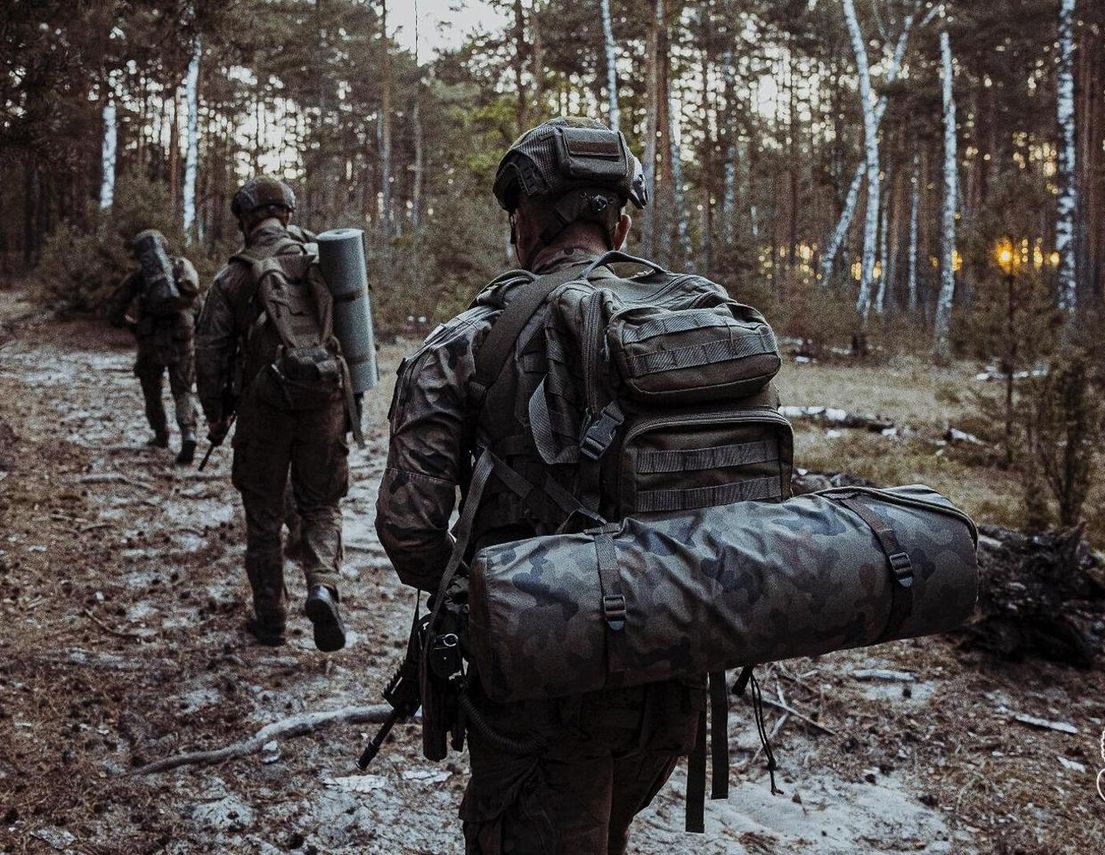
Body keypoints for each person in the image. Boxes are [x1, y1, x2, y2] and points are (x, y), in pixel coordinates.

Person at [375, 118, 703, 854]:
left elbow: (409, 530)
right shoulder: (693, 324)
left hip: (542, 681)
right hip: (677, 664)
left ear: (523, 221)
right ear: (619, 223)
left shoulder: (465, 341)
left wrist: (492, 597)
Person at [195, 175, 349, 652]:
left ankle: (271, 621)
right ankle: (323, 587)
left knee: (263, 517)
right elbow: (354, 331)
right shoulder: (324, 261)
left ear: (244, 218)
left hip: (263, 409)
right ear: (287, 212)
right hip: (324, 400)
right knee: (322, 505)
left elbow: (209, 351)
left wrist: (217, 414)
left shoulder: (234, 276)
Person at [108, 229, 200, 464]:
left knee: (152, 391)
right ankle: (189, 433)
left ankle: (161, 435)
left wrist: (133, 327)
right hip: (182, 338)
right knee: (183, 390)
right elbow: (197, 304)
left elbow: (114, 312)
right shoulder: (181, 269)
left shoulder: (138, 277)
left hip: (151, 342)